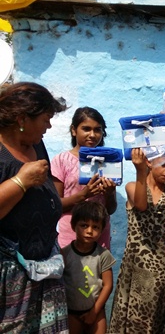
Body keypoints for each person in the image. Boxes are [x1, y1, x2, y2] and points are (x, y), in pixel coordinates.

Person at [0, 82, 68, 332]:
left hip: (46, 270)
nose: (49, 126)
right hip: (10, 280)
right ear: (22, 119)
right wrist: (20, 181)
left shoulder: (37, 146)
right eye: (45, 119)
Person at [108, 147, 165, 333]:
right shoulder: (132, 186)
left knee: (153, 323)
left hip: (161, 270)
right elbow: (141, 205)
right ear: (149, 162)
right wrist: (140, 171)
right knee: (129, 323)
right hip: (135, 268)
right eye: (164, 164)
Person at [52, 106, 117, 249]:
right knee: (70, 271)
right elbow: (55, 205)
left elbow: (111, 209)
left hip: (100, 235)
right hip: (70, 235)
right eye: (86, 129)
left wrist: (110, 193)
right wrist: (83, 195)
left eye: (97, 130)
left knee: (99, 271)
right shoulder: (61, 161)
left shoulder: (109, 162)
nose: (92, 135)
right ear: (74, 130)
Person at [61, 201, 115, 334]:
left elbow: (108, 285)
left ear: (102, 229)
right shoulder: (64, 254)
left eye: (95, 227)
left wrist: (94, 312)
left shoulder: (103, 254)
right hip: (71, 313)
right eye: (84, 225)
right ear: (73, 226)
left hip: (96, 312)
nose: (89, 231)